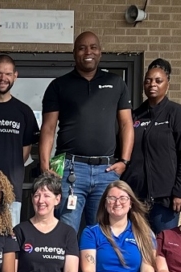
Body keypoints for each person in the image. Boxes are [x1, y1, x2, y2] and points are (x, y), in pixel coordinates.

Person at [40, 30, 133, 232]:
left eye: (93, 47)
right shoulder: (59, 85)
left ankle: (95, 266)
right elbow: (48, 128)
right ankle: (68, 266)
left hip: (106, 170)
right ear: (74, 53)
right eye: (82, 48)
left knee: (104, 231)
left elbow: (126, 124)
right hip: (68, 167)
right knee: (66, 229)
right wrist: (46, 166)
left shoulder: (116, 83)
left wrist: (124, 161)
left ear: (100, 52)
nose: (87, 52)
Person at [123, 58, 181, 233]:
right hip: (136, 197)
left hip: (165, 199)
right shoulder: (135, 115)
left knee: (163, 249)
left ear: (167, 85)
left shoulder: (178, 113)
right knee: (137, 247)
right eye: (148, 81)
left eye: (158, 81)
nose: (152, 85)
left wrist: (180, 192)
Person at [0, 55, 39, 224]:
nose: (3, 78)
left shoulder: (24, 112)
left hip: (11, 190)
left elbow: (25, 152)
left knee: (7, 238)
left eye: (8, 74)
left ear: (15, 76)